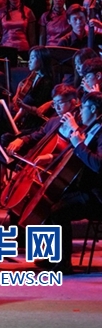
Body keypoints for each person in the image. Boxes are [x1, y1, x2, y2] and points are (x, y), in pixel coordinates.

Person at [40, 91, 102, 274]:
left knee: (58, 211)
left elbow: (98, 165)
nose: (80, 112)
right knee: (47, 200)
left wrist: (78, 142)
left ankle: (64, 263)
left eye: (83, 108)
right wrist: (52, 157)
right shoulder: (90, 128)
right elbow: (74, 155)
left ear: (93, 109)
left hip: (97, 195)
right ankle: (51, 256)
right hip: (85, 188)